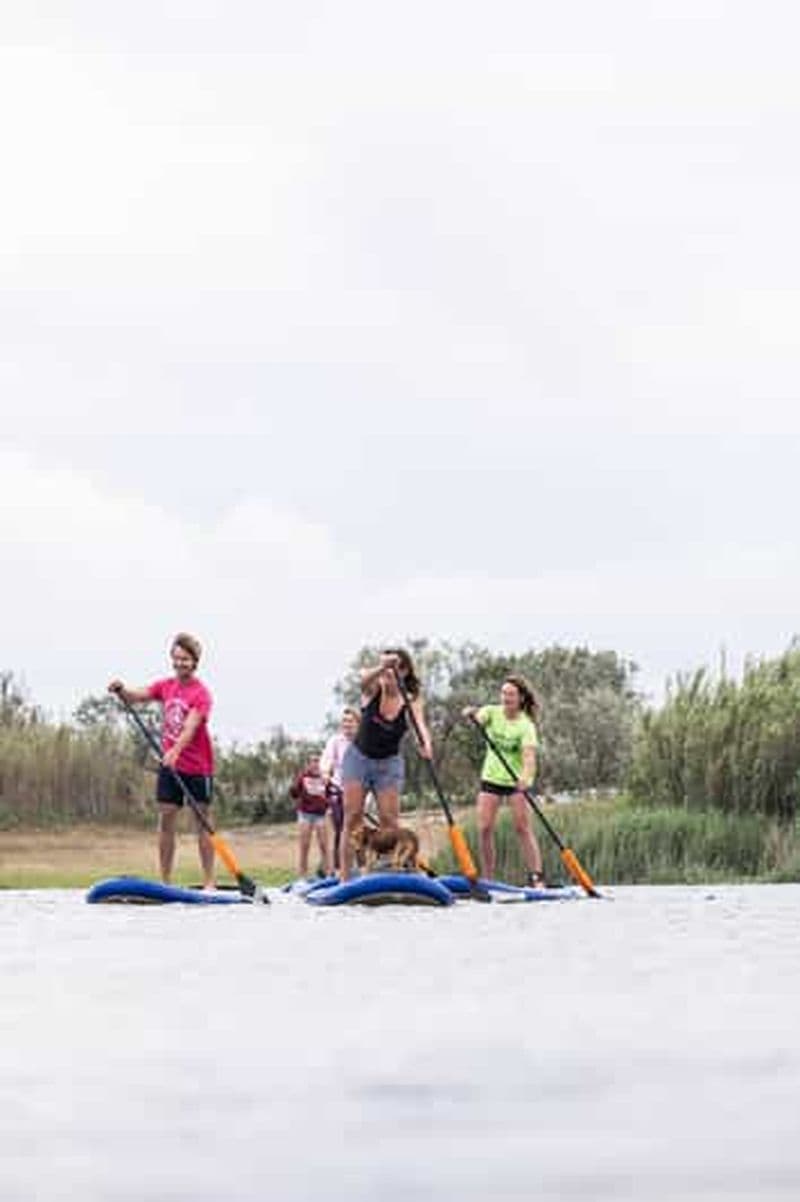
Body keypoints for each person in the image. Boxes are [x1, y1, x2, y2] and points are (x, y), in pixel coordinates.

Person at [108, 632, 216, 889]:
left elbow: (190, 727)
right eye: (176, 658)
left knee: (202, 821)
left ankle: (209, 882)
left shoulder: (202, 694)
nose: (180, 663)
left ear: (195, 661)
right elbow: (139, 695)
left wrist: (176, 750)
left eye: (185, 659)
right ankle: (165, 882)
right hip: (170, 766)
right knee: (166, 819)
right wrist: (122, 690)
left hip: (197, 768)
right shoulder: (166, 686)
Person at [340, 649, 433, 882]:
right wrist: (382, 666)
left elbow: (419, 724)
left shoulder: (411, 698)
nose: (390, 672)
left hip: (389, 764)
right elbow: (362, 682)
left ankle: (390, 874)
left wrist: (426, 743)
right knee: (353, 817)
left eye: (396, 667)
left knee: (390, 823)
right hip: (358, 759)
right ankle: (344, 879)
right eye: (388, 668)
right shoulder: (374, 687)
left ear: (405, 671)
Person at [463, 674, 546, 886]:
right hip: (491, 778)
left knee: (522, 828)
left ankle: (537, 876)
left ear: (520, 698)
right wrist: (471, 714)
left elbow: (529, 758)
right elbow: (478, 718)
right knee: (484, 828)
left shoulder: (526, 726)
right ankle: (488, 878)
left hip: (516, 782)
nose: (505, 698)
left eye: (510, 694)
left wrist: (526, 779)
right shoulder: (492, 712)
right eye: (503, 693)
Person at [320, 706, 359, 870]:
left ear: (357, 723)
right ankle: (339, 868)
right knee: (341, 827)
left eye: (350, 721)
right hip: (338, 788)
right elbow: (326, 759)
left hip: (359, 789)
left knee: (358, 828)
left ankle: (361, 865)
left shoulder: (363, 741)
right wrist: (325, 772)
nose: (346, 724)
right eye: (344, 721)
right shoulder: (335, 741)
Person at [290, 752, 332, 879]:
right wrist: (296, 787)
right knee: (305, 845)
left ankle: (327, 873)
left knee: (324, 845)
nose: (315, 764)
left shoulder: (324, 778)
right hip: (305, 814)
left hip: (321, 815)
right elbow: (294, 792)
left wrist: (327, 805)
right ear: (308, 764)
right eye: (313, 761)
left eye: (317, 761)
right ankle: (303, 875)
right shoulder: (303, 777)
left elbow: (330, 794)